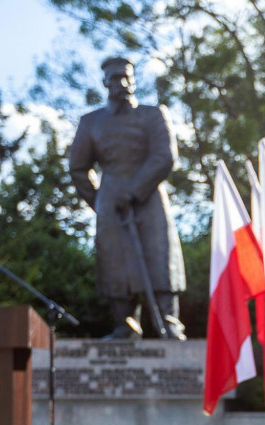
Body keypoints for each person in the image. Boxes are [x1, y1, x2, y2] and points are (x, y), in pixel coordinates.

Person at [68, 56, 186, 339]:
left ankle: (169, 322)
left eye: (126, 76)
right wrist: (99, 202)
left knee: (159, 257)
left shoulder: (153, 114)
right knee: (115, 263)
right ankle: (125, 324)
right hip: (111, 202)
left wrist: (134, 191)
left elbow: (165, 156)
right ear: (105, 82)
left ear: (133, 79)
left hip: (149, 197)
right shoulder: (91, 122)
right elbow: (78, 167)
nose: (122, 82)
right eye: (115, 78)